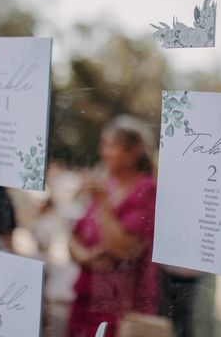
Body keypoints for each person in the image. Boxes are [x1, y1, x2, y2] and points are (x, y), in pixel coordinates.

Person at [67, 116, 158, 337]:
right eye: (103, 144)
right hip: (85, 300)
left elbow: (124, 248)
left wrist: (102, 204)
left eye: (111, 145)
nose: (103, 152)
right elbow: (72, 238)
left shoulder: (147, 191)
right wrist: (85, 257)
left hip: (121, 309)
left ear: (134, 152)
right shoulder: (105, 185)